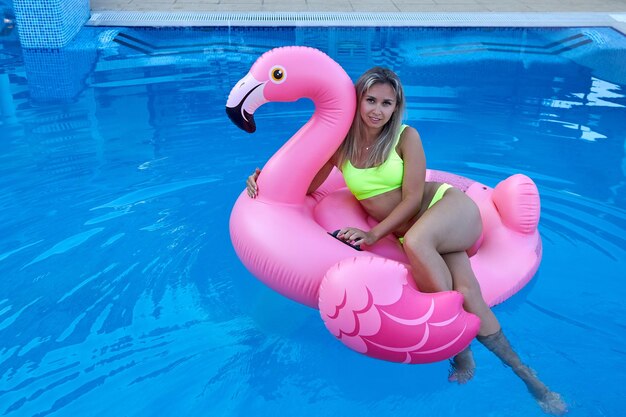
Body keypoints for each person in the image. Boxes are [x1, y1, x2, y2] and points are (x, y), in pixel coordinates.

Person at [246, 66, 567, 415]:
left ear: (396, 107)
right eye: (371, 100)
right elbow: (305, 185)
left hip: (448, 208)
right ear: (358, 99)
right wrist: (266, 177)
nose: (377, 110)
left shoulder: (405, 137)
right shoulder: (342, 146)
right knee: (470, 295)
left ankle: (464, 350)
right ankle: (532, 381)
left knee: (416, 242)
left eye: (387, 103)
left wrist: (373, 234)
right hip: (426, 233)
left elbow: (413, 199)